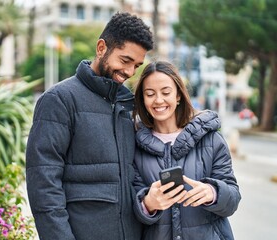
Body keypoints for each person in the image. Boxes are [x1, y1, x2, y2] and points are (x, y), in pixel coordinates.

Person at [26, 12, 153, 240]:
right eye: (125, 61)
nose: (129, 72)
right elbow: (43, 185)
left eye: (137, 65)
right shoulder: (59, 100)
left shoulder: (127, 105)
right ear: (102, 48)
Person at [132, 61, 241, 240]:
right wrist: (148, 204)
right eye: (150, 94)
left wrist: (213, 192)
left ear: (178, 96)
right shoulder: (134, 145)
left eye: (166, 92)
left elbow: (233, 199)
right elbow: (131, 205)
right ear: (143, 100)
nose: (158, 100)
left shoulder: (211, 140)